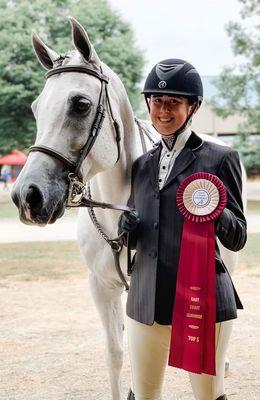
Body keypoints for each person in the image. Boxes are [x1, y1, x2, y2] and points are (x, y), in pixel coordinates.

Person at [118, 59, 247, 400]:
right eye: (157, 101)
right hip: (145, 299)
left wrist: (213, 210)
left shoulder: (220, 158)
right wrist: (127, 228)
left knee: (208, 395)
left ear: (193, 107)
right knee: (143, 394)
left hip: (202, 300)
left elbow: (238, 236)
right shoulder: (141, 166)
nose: (163, 110)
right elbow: (136, 238)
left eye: (173, 102)